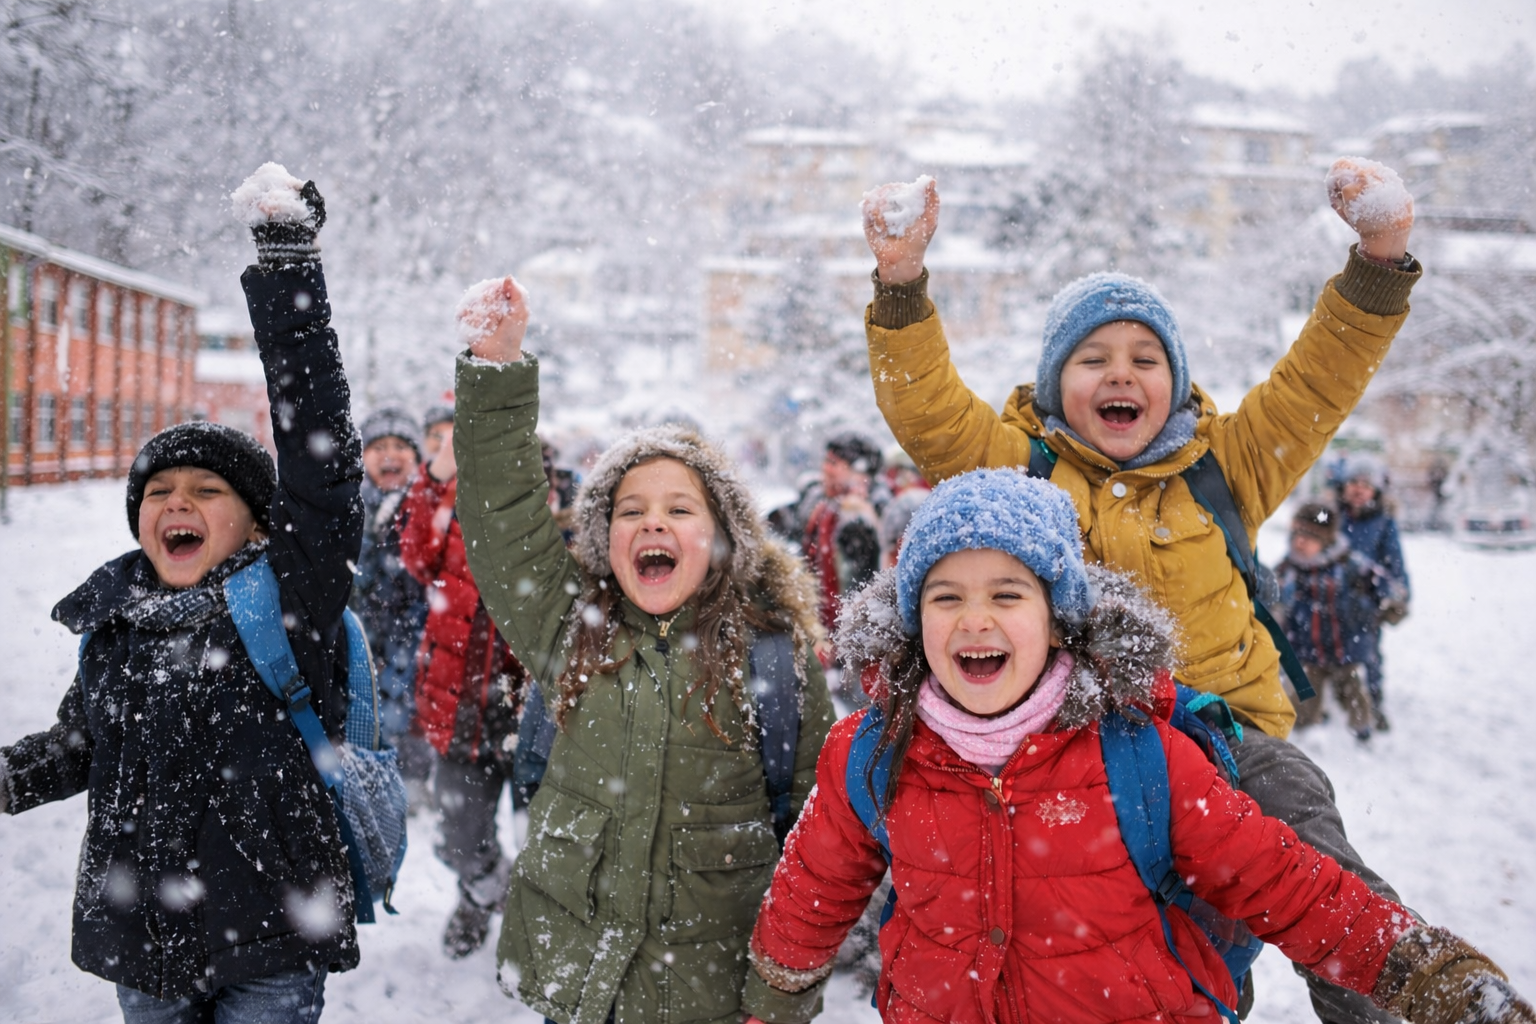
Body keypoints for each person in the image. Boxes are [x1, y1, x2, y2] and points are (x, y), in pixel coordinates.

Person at [856, 158, 1427, 1024]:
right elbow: (927, 410)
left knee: (1311, 853)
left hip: (1229, 741)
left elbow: (1319, 378)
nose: (1121, 374)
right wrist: (900, 282)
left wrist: (1379, 261)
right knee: (1141, 948)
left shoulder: (1229, 465)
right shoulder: (1020, 471)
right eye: (1093, 359)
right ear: (1056, 386)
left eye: (1145, 358)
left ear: (1177, 382)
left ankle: (1402, 990)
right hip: (1079, 747)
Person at [741, 469, 1534, 1024]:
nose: (974, 619)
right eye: (945, 597)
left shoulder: (1139, 753)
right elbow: (808, 898)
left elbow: (1289, 883)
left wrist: (1432, 977)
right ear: (915, 623)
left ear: (1059, 620)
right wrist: (770, 1009)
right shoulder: (872, 753)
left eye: (1008, 594)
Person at [0, 165, 361, 1022]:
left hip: (271, 942)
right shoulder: (117, 623)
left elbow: (321, 463)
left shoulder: (287, 601)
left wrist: (287, 271)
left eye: (206, 491)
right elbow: (83, 744)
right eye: (159, 492)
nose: (176, 504)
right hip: (142, 945)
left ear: (258, 525)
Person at [449, 276, 838, 1024]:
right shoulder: (572, 631)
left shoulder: (772, 660)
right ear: (606, 540)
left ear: (721, 538)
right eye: (631, 511)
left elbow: (818, 851)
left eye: (678, 508)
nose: (652, 523)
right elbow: (505, 522)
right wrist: (496, 371)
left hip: (712, 1000)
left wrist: (780, 997)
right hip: (578, 994)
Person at [397, 406, 526, 959]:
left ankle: (522, 923)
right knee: (459, 838)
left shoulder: (543, 496)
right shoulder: (450, 500)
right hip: (459, 705)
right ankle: (487, 892)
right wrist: (437, 475)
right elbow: (415, 554)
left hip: (530, 711)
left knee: (543, 839)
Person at [352, 407, 433, 794]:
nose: (390, 455)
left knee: (412, 722)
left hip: (417, 643)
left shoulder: (431, 506)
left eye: (401, 446)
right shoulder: (349, 507)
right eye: (379, 446)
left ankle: (415, 789)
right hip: (364, 643)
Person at [1273, 503, 1402, 741]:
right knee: (1303, 697)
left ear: (1326, 541)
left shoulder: (1348, 564)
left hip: (1344, 649)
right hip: (1307, 651)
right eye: (1297, 535)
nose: (1300, 542)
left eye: (1309, 537)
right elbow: (1271, 598)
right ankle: (1303, 732)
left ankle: (1363, 729)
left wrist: (1391, 603)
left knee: (1352, 694)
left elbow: (1384, 585)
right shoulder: (1288, 569)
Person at [772, 432, 888, 634]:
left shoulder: (879, 508)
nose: (825, 468)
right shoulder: (819, 503)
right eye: (825, 461)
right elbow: (780, 525)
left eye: (833, 463)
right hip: (816, 622)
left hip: (856, 630)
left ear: (859, 473)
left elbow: (870, 574)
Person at [1333, 453, 1410, 730]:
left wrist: (1398, 594)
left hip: (1366, 600)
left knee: (1368, 652)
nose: (1358, 489)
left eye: (1366, 484)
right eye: (1353, 482)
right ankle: (1334, 696)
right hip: (1329, 595)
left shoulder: (1383, 522)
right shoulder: (1333, 515)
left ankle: (1374, 702)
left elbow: (1395, 563)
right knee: (1326, 647)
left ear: (1375, 491)